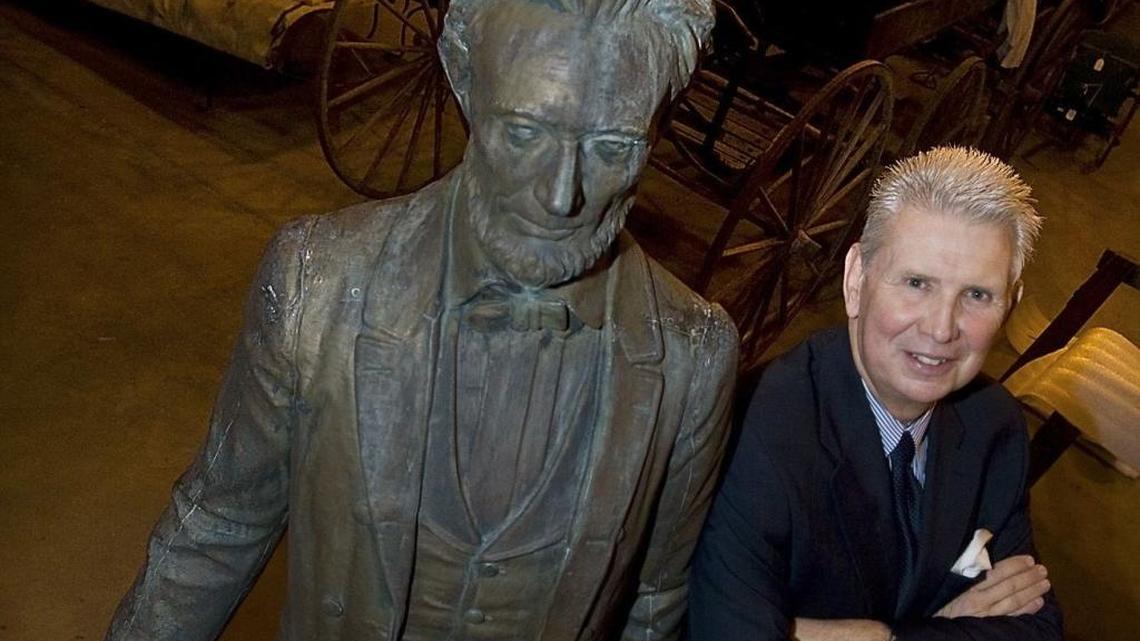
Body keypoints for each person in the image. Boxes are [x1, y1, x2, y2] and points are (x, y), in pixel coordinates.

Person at [103, 0, 738, 638]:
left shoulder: (694, 357)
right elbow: (218, 527)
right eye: (523, 132)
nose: (560, 196)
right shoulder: (314, 286)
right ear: (461, 75)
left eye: (613, 147)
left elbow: (656, 603)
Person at [689, 146, 1062, 641]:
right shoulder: (757, 432)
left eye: (976, 295)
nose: (941, 328)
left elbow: (1036, 630)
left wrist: (884, 636)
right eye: (916, 283)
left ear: (1009, 306)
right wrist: (946, 625)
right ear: (855, 280)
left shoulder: (995, 424)